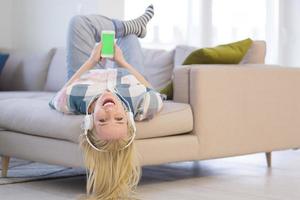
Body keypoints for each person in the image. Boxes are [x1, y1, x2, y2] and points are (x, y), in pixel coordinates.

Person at [48, 5, 163, 200]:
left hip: (88, 74)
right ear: (128, 119)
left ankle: (132, 25)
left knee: (78, 23)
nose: (110, 110)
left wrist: (91, 61)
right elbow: (154, 93)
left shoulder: (76, 100)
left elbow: (55, 99)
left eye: (102, 121)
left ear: (90, 123)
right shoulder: (141, 104)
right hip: (127, 73)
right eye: (119, 118)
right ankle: (133, 27)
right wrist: (123, 62)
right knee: (130, 36)